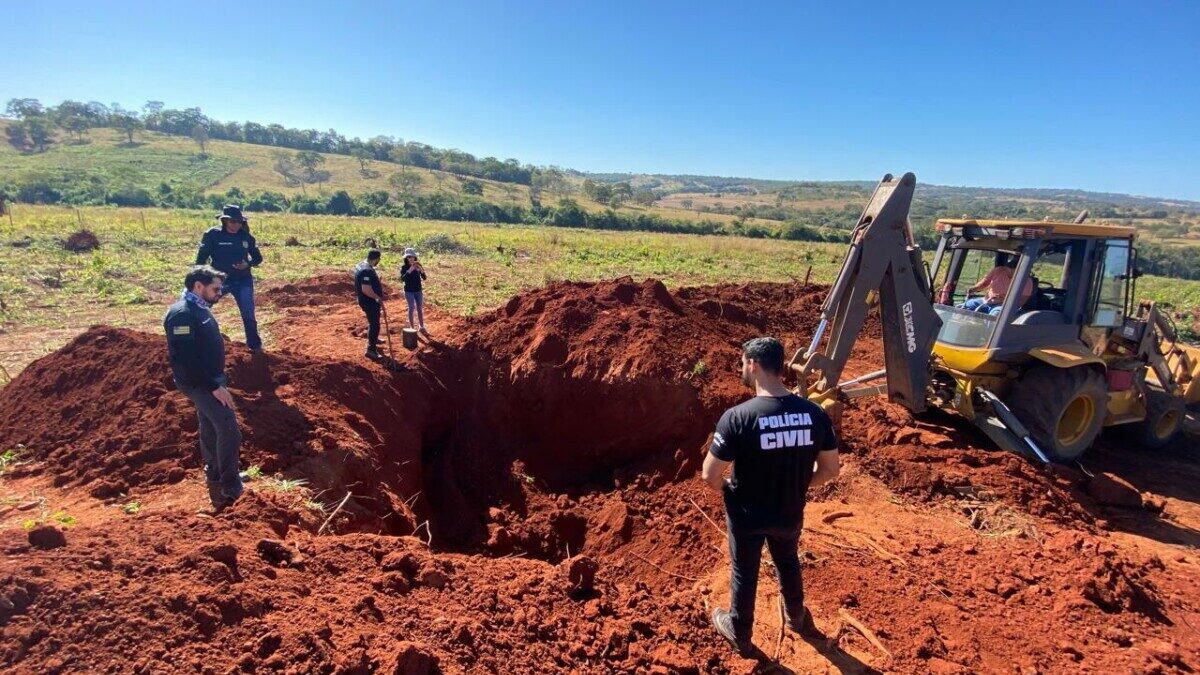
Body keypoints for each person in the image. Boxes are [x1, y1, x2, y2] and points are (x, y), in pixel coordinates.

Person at [702, 337, 840, 655]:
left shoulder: (738, 418)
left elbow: (710, 474)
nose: (742, 369)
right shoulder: (815, 414)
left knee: (744, 570)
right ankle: (796, 617)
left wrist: (730, 492)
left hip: (748, 514)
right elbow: (831, 470)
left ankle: (740, 630)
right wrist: (800, 484)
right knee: (788, 560)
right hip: (789, 510)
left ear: (753, 365)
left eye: (742, 364)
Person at [164, 265, 244, 510]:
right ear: (198, 286)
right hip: (199, 383)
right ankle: (230, 486)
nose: (220, 293)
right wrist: (213, 387)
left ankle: (215, 473)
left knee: (209, 425)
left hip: (210, 379)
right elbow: (185, 359)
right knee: (229, 429)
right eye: (215, 288)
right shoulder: (182, 314)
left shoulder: (199, 308)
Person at [195, 205, 264, 351]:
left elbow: (258, 258)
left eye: (239, 222)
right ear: (224, 220)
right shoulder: (212, 235)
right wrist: (203, 279)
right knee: (200, 306)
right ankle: (197, 339)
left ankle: (255, 347)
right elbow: (201, 259)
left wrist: (248, 264)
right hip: (219, 281)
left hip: (243, 280)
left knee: (248, 314)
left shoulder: (246, 237)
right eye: (233, 221)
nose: (236, 225)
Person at [958, 256, 1032, 316]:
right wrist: (973, 289)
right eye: (1009, 268)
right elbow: (984, 283)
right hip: (986, 300)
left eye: (1014, 269)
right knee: (961, 308)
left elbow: (1021, 301)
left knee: (995, 315)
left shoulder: (1026, 281)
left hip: (1004, 306)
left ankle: (988, 333)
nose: (1010, 270)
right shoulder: (998, 270)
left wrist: (1002, 301)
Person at [354, 248, 385, 359]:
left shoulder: (361, 264)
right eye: (378, 259)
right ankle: (371, 350)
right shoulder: (367, 270)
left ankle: (374, 338)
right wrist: (377, 297)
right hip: (369, 301)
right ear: (376, 259)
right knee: (375, 324)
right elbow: (366, 289)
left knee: (372, 321)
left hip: (365, 300)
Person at [400, 247, 428, 335]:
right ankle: (411, 328)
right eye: (408, 257)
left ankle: (421, 326)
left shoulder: (418, 265)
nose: (411, 258)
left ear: (415, 257)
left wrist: (422, 271)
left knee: (419, 308)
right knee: (411, 308)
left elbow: (424, 278)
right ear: (406, 258)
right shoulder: (404, 267)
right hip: (409, 291)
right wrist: (409, 271)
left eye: (412, 257)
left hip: (418, 290)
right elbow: (402, 279)